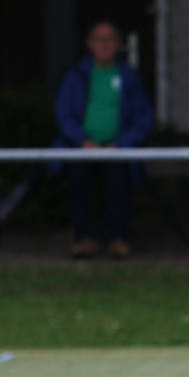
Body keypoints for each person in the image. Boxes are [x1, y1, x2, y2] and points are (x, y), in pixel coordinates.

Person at [53, 20, 153, 259]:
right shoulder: (76, 75)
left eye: (110, 39)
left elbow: (144, 118)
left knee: (119, 179)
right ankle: (84, 239)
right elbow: (63, 114)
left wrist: (121, 144)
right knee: (79, 177)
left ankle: (116, 240)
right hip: (82, 148)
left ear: (119, 44)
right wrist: (82, 141)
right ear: (89, 44)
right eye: (99, 39)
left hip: (118, 148)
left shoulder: (129, 77)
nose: (104, 44)